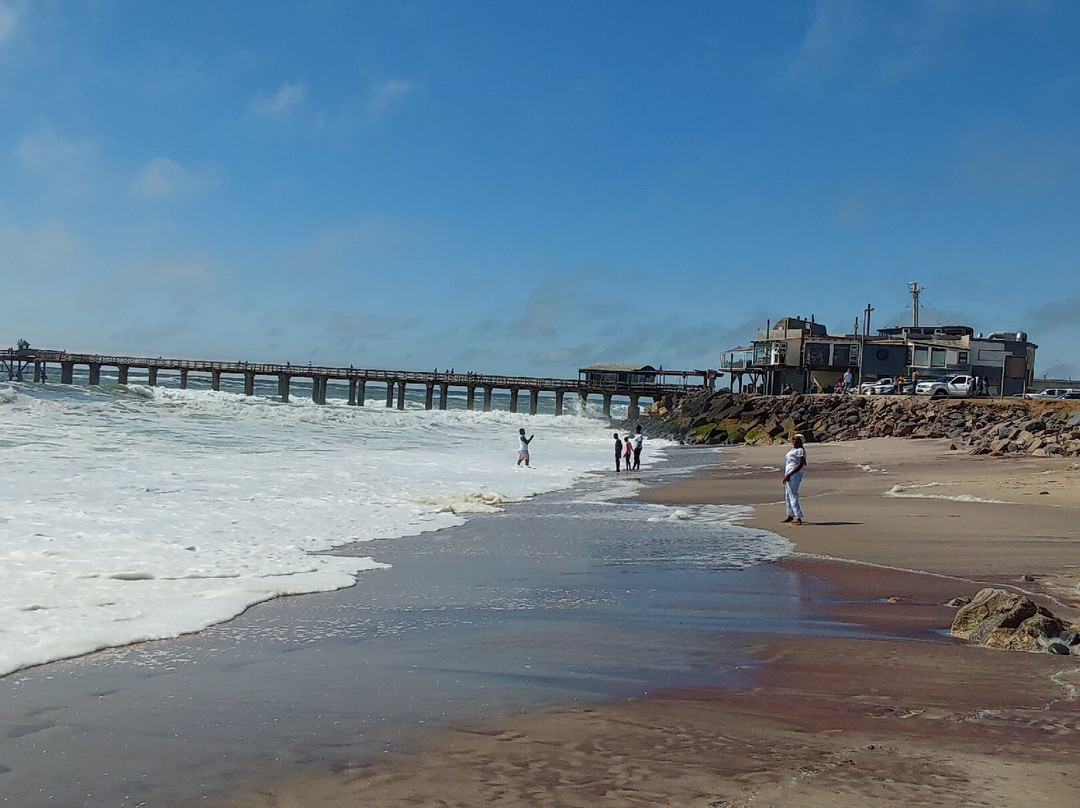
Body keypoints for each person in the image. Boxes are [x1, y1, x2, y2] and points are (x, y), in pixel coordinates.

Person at [781, 433, 807, 525]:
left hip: (794, 474)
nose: (793, 441)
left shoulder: (800, 450)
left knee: (793, 494)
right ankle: (790, 514)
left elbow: (800, 464)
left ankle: (798, 517)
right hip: (790, 473)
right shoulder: (793, 450)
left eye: (796, 439)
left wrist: (789, 474)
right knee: (788, 495)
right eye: (793, 439)